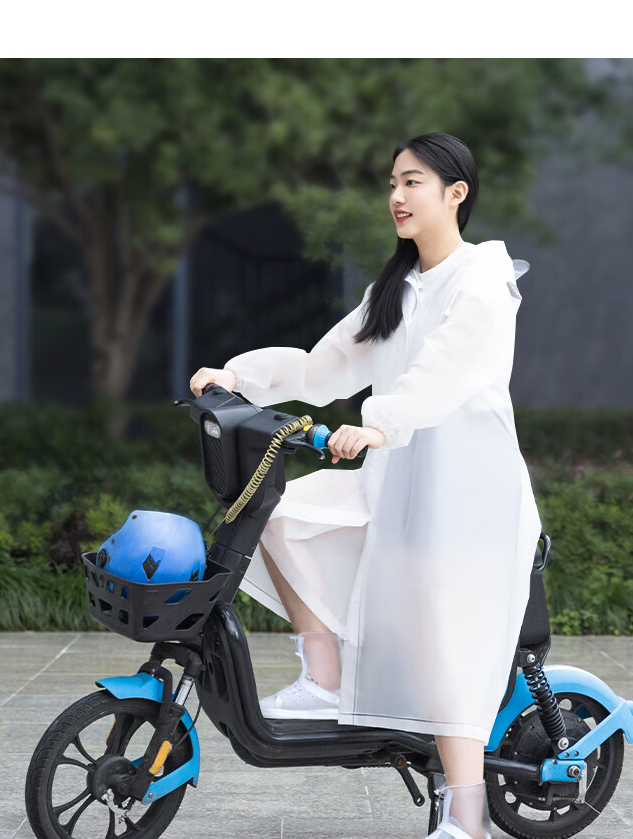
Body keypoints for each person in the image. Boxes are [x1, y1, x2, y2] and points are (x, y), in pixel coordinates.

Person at [190, 132, 541, 839]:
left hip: (466, 493)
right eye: (392, 184)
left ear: (456, 193)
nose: (397, 197)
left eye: (412, 182)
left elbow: (446, 370)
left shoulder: (482, 278)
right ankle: (324, 677)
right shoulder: (395, 289)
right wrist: (237, 376)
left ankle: (467, 819)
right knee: (278, 514)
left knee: (448, 646)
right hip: (394, 478)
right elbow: (322, 368)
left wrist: (378, 423)